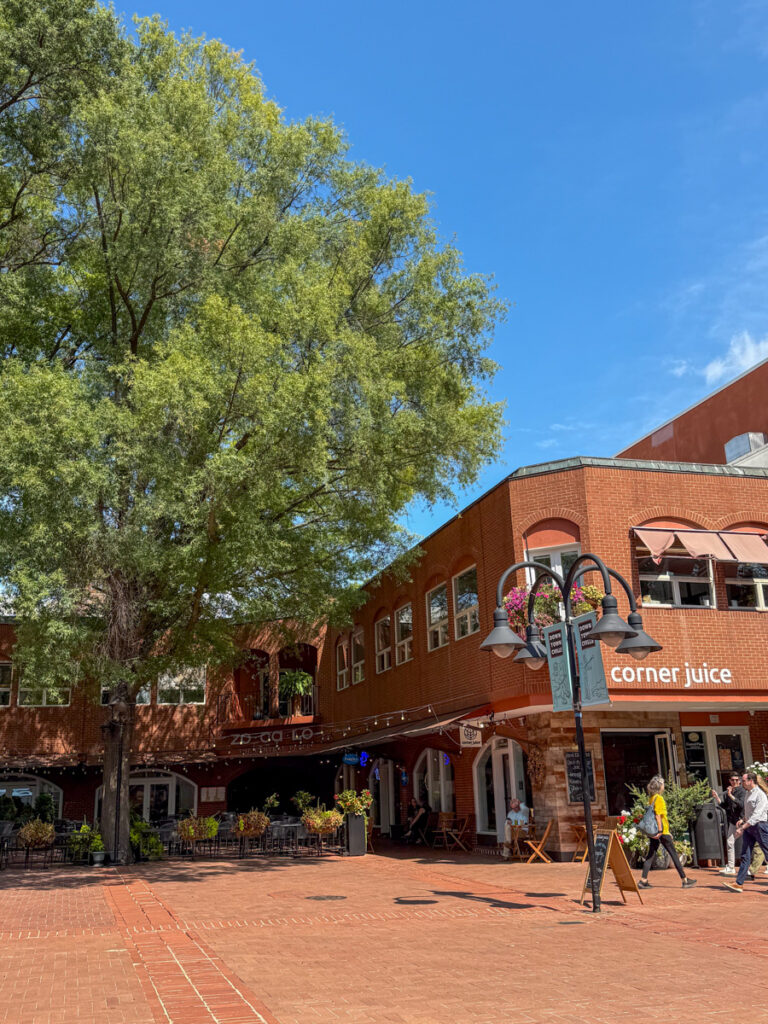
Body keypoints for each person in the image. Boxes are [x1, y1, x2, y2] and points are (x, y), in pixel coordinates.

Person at [638, 775, 697, 889]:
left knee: (651, 854)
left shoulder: (652, 798)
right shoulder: (659, 798)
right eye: (663, 784)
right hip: (661, 831)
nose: (664, 786)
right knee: (674, 855)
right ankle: (684, 880)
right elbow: (658, 816)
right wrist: (661, 831)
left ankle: (643, 880)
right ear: (660, 786)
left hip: (654, 832)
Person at [722, 772, 768, 893]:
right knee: (745, 855)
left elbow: (757, 815)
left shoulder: (760, 795)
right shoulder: (748, 793)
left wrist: (742, 827)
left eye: (743, 781)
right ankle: (739, 883)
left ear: (750, 781)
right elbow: (749, 812)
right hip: (749, 827)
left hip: (760, 826)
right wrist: (743, 820)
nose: (741, 783)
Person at [711, 773, 745, 875]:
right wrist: (717, 797)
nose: (734, 782)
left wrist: (730, 795)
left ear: (739, 781)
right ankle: (731, 867)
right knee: (730, 842)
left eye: (736, 780)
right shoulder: (729, 792)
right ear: (729, 781)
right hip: (734, 822)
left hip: (744, 821)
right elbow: (725, 806)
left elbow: (741, 804)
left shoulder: (742, 791)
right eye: (732, 780)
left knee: (755, 842)